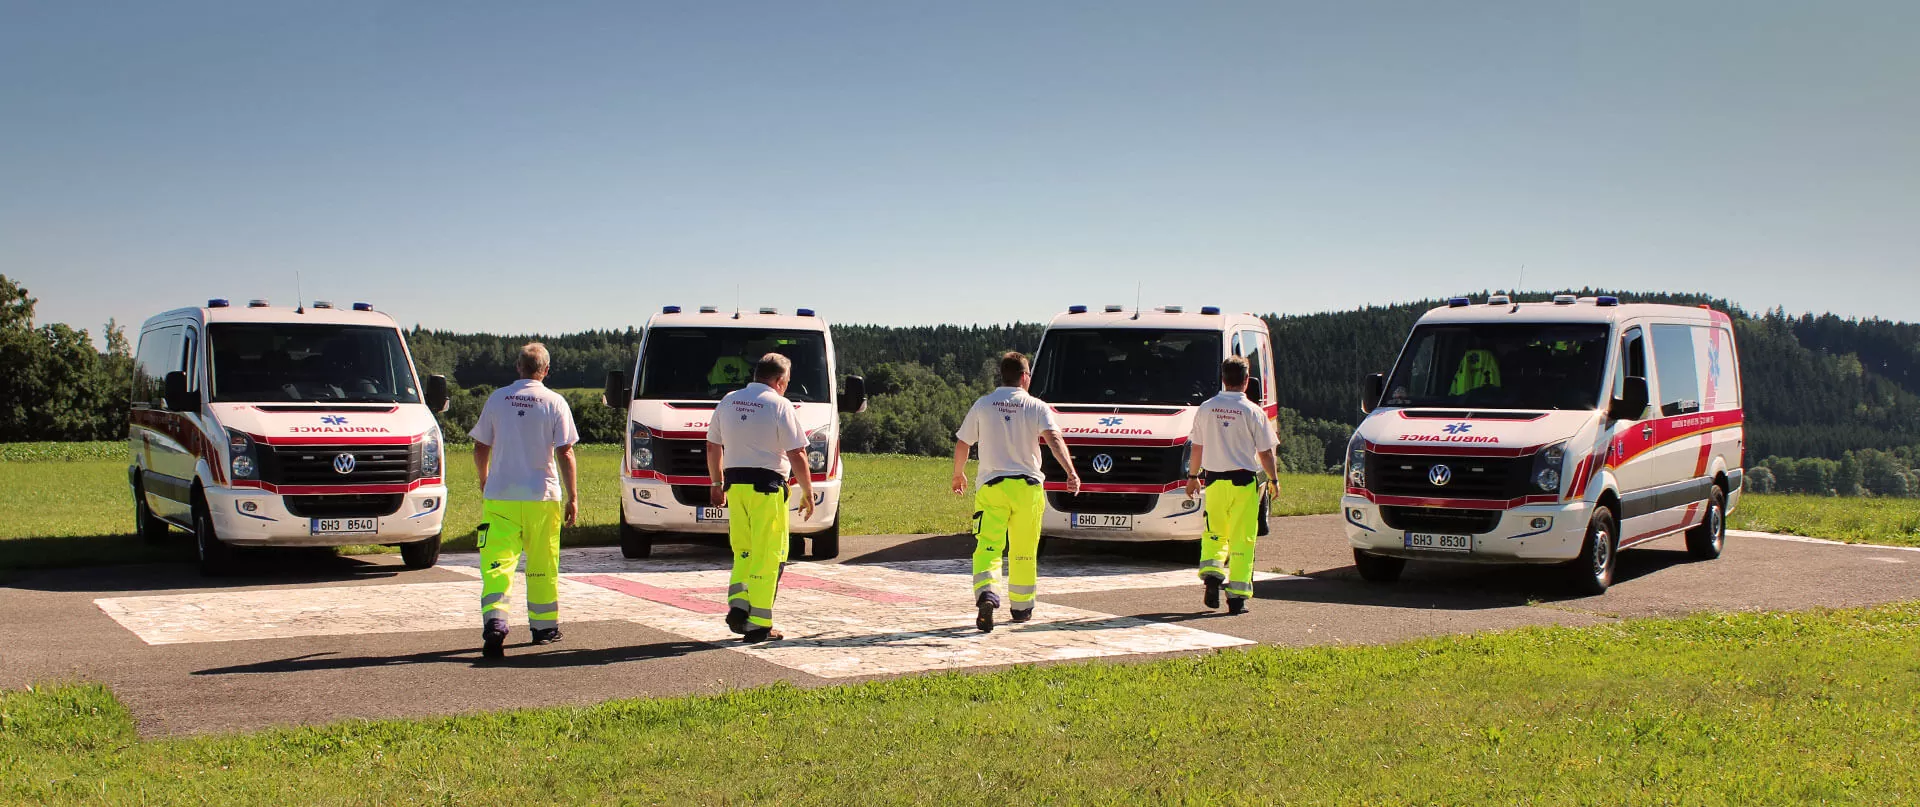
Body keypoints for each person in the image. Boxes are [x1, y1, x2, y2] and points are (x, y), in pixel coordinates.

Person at [951, 352, 1080, 633]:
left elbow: (963, 442)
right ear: (1024, 376)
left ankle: (987, 594)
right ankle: (1021, 609)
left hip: (992, 488)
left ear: (1003, 375)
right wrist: (1070, 471)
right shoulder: (1036, 406)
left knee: (988, 546)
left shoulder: (983, 405)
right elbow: (1053, 438)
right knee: (1023, 551)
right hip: (1027, 489)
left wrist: (958, 473)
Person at [470, 342, 580, 659]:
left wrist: (484, 478)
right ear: (545, 370)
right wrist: (572, 496)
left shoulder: (497, 399)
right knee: (543, 564)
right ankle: (544, 629)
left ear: (518, 367)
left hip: (501, 495)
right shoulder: (555, 402)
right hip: (541, 496)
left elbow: (480, 446)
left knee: (497, 565)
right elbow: (566, 452)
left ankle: (495, 623)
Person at [707, 353, 816, 644]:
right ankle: (759, 623)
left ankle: (739, 603)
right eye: (787, 382)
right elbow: (797, 453)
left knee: (743, 550)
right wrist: (807, 491)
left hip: (735, 487)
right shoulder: (780, 405)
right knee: (769, 555)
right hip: (766, 488)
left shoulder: (729, 400)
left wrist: (716, 482)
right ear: (780, 381)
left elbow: (712, 445)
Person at [1185, 356, 1280, 615]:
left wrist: (1192, 477)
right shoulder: (1253, 412)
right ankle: (1237, 597)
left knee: (1214, 531)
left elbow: (1197, 447)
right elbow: (1266, 453)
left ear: (1223, 379)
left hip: (1214, 481)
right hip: (1244, 483)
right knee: (1242, 538)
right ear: (1247, 381)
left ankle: (1213, 576)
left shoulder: (1206, 408)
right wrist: (1273, 480)